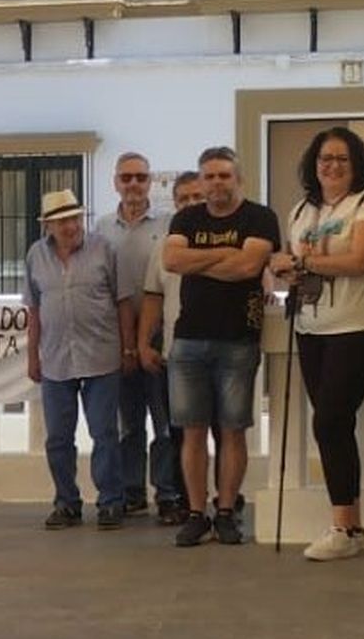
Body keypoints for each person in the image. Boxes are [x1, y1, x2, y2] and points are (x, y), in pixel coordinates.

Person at [269, 127, 364, 561]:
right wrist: (284, 267)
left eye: (342, 158)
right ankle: (349, 524)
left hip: (359, 325)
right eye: (325, 158)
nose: (333, 165)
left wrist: (301, 260)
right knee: (332, 424)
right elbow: (292, 267)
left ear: (357, 163)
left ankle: (346, 526)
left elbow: (359, 261)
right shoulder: (302, 210)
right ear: (313, 164)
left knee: (329, 420)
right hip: (311, 326)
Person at [163, 147, 279, 547]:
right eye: (209, 176)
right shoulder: (186, 217)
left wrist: (201, 259)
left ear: (238, 179)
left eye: (224, 176)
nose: (216, 183)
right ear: (201, 181)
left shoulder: (260, 217)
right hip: (188, 339)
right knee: (192, 432)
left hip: (238, 340)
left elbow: (249, 268)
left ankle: (226, 511)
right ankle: (197, 514)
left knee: (233, 431)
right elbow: (171, 260)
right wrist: (225, 253)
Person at [25, 189, 125, 530]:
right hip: (56, 359)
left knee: (105, 432)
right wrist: (31, 356)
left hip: (101, 354)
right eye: (61, 221)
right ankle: (66, 503)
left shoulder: (103, 249)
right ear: (48, 225)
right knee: (57, 438)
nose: (70, 226)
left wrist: (127, 349)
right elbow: (34, 309)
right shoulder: (36, 255)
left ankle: (111, 502)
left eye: (74, 218)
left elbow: (122, 301)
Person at [94, 151, 177, 520]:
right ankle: (131, 491)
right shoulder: (102, 228)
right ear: (115, 182)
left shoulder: (169, 223)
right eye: (126, 178)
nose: (133, 185)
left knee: (165, 423)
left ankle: (167, 493)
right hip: (120, 339)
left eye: (140, 178)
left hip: (161, 335)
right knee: (128, 424)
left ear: (151, 182)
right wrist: (125, 342)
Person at [137, 171, 204, 524]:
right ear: (175, 204)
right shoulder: (163, 246)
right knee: (177, 432)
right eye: (184, 199)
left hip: (219, 350)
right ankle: (180, 500)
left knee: (225, 431)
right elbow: (152, 298)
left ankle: (224, 499)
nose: (191, 204)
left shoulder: (224, 239)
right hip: (174, 355)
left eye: (197, 197)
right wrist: (142, 344)